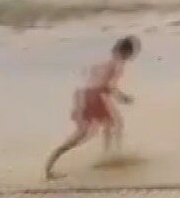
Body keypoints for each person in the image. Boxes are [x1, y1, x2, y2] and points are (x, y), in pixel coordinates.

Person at [45, 36, 140, 180]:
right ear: (127, 52)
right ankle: (110, 158)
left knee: (109, 125)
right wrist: (123, 97)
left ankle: (109, 157)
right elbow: (108, 86)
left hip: (84, 95)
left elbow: (91, 78)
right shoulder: (117, 65)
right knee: (95, 130)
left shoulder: (103, 63)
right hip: (95, 96)